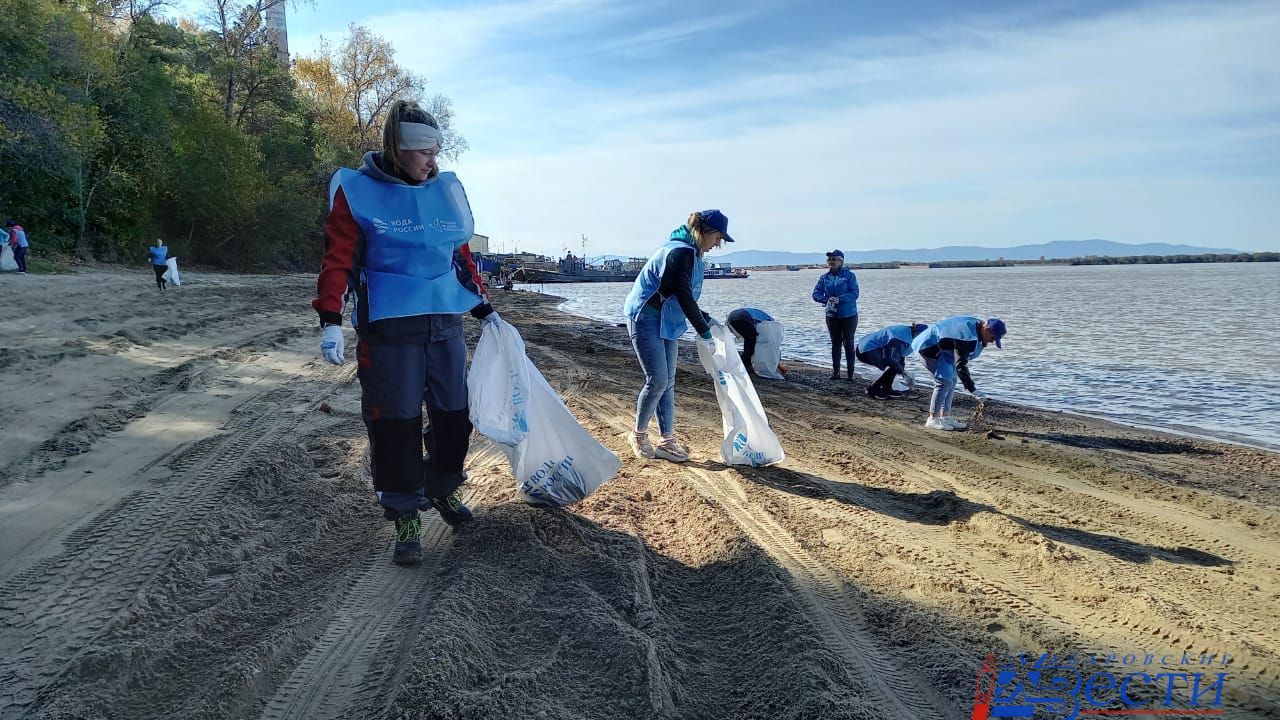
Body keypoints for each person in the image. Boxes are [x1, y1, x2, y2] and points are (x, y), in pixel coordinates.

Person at [312, 99, 497, 565]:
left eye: (437, 151)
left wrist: (484, 308)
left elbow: (460, 257)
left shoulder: (444, 191)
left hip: (443, 326)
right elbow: (337, 258)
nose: (433, 161)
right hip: (389, 330)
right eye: (423, 152)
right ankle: (405, 513)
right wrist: (330, 319)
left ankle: (443, 488)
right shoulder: (356, 191)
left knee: (454, 412)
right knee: (395, 421)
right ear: (397, 148)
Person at [622, 209, 734, 462]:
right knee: (658, 379)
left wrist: (707, 319)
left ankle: (667, 441)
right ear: (704, 231)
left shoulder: (692, 254)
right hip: (646, 316)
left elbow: (682, 295)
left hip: (667, 318)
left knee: (669, 381)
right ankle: (638, 435)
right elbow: (682, 294)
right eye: (718, 237)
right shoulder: (679, 252)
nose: (718, 244)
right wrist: (704, 332)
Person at [910, 316, 1007, 431]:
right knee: (944, 382)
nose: (992, 342)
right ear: (987, 330)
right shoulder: (966, 338)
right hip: (928, 346)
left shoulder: (977, 326)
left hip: (944, 349)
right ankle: (932, 419)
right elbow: (960, 366)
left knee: (953, 380)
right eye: (993, 338)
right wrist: (973, 390)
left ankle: (945, 417)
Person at [811, 249, 859, 380]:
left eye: (834, 259)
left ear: (841, 261)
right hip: (832, 315)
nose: (831, 262)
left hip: (849, 315)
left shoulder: (849, 276)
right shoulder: (824, 277)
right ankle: (836, 372)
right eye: (829, 260)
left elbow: (855, 294)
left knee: (848, 343)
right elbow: (816, 294)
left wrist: (840, 299)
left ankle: (850, 374)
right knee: (835, 343)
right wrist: (827, 299)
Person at [856, 323, 928, 399]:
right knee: (894, 365)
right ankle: (873, 388)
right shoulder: (899, 338)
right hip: (866, 350)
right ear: (918, 333)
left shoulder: (907, 332)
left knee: (898, 365)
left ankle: (886, 388)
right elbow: (889, 357)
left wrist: (902, 367)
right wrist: (900, 368)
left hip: (868, 347)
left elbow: (901, 355)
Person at [726, 307, 786, 378]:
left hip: (732, 317)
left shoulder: (768, 321)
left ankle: (744, 363)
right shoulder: (770, 324)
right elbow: (773, 349)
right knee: (751, 341)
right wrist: (777, 365)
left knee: (750, 340)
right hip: (742, 318)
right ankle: (745, 364)